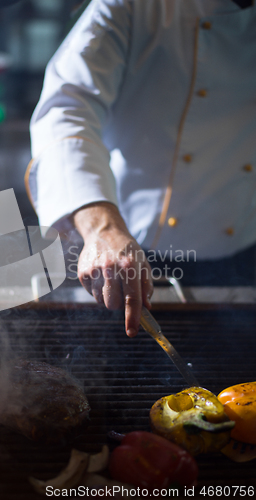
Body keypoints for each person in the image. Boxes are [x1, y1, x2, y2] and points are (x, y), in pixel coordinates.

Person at [26, 0, 256, 336]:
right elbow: (68, 109)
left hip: (246, 254)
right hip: (128, 258)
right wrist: (101, 228)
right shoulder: (132, 5)